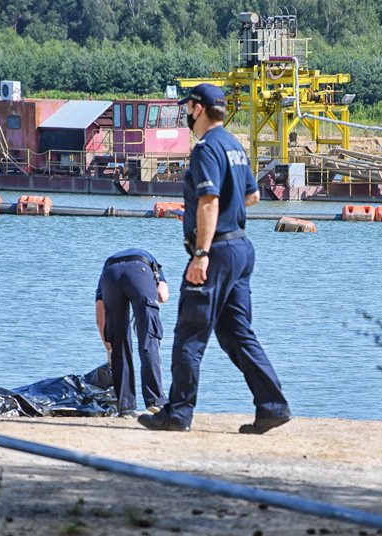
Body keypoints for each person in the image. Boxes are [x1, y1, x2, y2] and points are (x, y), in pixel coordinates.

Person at [138, 83, 291, 434]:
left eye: (187, 108)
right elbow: (252, 196)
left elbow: (209, 201)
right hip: (240, 248)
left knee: (190, 335)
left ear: (197, 108)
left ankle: (177, 414)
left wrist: (202, 253)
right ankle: (272, 406)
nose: (186, 115)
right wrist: (225, 216)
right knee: (237, 334)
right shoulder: (235, 146)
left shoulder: (206, 149)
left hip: (216, 252)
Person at [96, 249, 169, 416]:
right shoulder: (153, 263)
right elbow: (163, 296)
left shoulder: (106, 269)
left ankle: (126, 407)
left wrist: (110, 346)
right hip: (140, 271)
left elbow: (100, 318)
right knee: (148, 340)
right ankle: (155, 401)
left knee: (119, 344)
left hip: (111, 275)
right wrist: (144, 303)